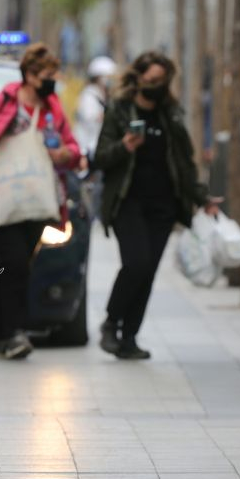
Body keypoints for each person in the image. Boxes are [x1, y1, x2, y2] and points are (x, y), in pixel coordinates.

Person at [94, 52, 217, 359]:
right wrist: (125, 146)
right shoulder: (120, 111)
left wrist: (202, 197)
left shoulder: (170, 114)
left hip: (163, 207)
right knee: (135, 265)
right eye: (150, 80)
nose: (155, 86)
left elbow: (184, 163)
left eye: (161, 81)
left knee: (147, 272)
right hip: (127, 203)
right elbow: (101, 157)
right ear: (137, 78)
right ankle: (111, 323)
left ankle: (129, 338)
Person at [0, 43, 82, 360]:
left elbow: (72, 146)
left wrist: (66, 154)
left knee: (18, 266)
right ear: (29, 75)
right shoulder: (2, 102)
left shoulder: (53, 107)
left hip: (39, 196)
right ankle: (14, 332)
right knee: (14, 262)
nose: (51, 81)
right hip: (1, 195)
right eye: (46, 75)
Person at [75, 56, 118, 167]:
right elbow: (91, 117)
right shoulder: (89, 95)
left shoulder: (103, 95)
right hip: (88, 147)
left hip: (99, 146)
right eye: (108, 76)